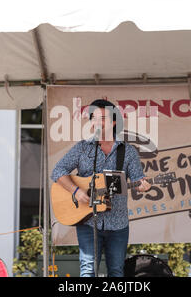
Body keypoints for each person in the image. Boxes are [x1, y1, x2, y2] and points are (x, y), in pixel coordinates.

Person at [51, 99, 151, 277]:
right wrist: (76, 191)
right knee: (87, 271)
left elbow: (137, 180)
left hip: (118, 223)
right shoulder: (83, 148)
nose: (97, 122)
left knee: (116, 272)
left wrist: (142, 186)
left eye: (102, 118)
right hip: (88, 221)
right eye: (94, 118)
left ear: (113, 122)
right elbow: (58, 171)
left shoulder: (127, 151)